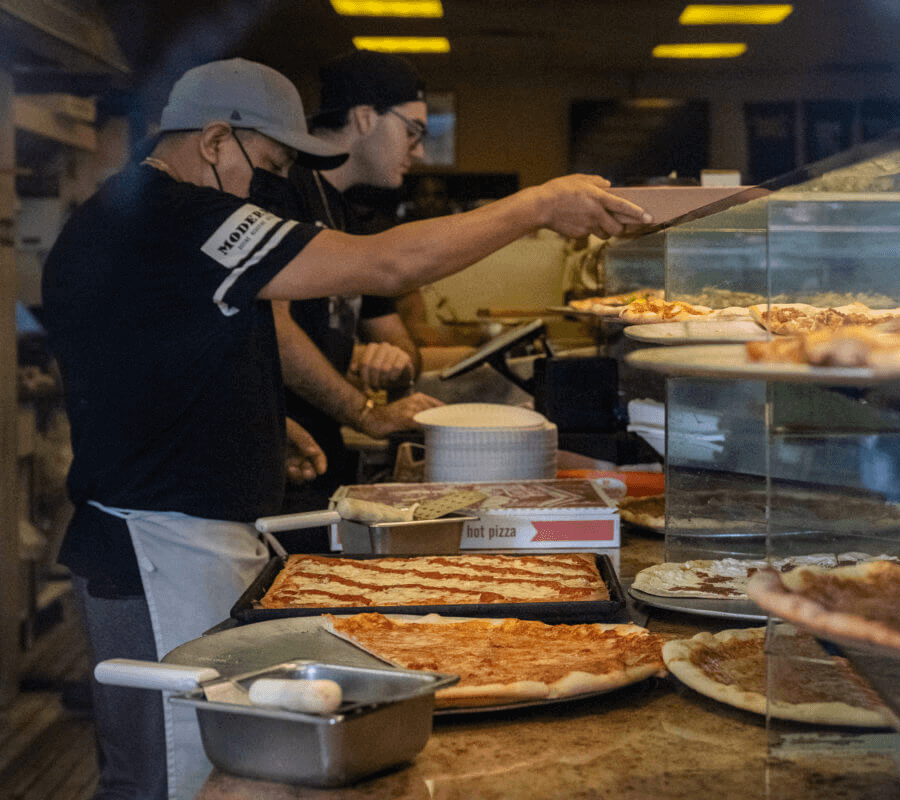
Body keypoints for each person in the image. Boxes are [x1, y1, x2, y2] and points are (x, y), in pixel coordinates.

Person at [40, 57, 649, 800]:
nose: (264, 186)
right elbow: (385, 265)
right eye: (264, 164)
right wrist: (537, 207)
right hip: (158, 542)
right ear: (214, 141)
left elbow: (183, 344)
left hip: (186, 529)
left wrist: (264, 424)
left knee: (208, 768)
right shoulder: (169, 215)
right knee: (169, 778)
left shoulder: (151, 216)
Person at [268, 51, 444, 524]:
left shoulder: (348, 215)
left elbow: (399, 339)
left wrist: (396, 363)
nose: (419, 151)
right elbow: (274, 329)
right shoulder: (283, 191)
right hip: (278, 471)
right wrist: (366, 412)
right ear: (365, 117)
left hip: (325, 465)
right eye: (413, 131)